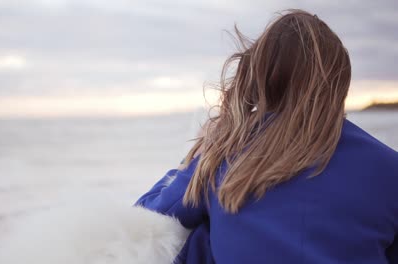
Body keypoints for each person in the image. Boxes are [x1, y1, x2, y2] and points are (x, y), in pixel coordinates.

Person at [134, 9, 398, 264]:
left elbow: (146, 216)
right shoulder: (389, 167)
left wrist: (198, 153)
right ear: (340, 84)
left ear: (261, 75)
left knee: (202, 238)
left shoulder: (225, 152)